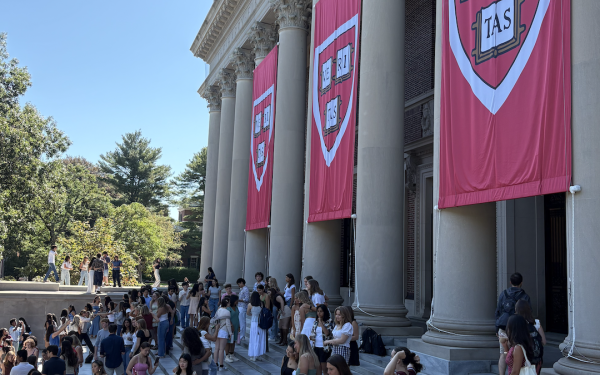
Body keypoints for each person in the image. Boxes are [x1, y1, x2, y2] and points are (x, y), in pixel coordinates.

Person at [495, 272, 531, 375]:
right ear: (521, 283)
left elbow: (497, 311)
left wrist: (497, 328)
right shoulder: (525, 296)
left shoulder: (503, 294)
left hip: (504, 326)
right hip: (519, 329)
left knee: (503, 354)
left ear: (510, 282)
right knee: (518, 351)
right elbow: (528, 313)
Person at [515, 299, 546, 373]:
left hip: (522, 358)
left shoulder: (516, 323)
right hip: (536, 359)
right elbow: (544, 341)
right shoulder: (536, 323)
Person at [310, 304, 332, 374]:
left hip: (324, 347)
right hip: (316, 346)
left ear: (324, 312)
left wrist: (321, 323)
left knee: (324, 368)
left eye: (321, 311)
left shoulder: (329, 322)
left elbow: (327, 333)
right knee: (317, 367)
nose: (319, 313)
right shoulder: (315, 322)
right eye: (318, 311)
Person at [212, 298, 232, 370]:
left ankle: (215, 364)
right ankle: (221, 365)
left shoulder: (218, 310)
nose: (230, 303)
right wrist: (230, 333)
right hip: (224, 331)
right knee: (221, 349)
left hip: (217, 330)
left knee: (216, 348)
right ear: (227, 303)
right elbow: (228, 324)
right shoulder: (227, 311)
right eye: (229, 302)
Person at [247, 292, 266, 361]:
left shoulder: (250, 305)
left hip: (253, 322)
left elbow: (248, 313)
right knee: (259, 338)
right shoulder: (261, 304)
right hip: (260, 322)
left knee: (253, 338)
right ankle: (258, 354)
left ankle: (253, 355)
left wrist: (253, 315)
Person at [225, 295, 239, 363]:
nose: (237, 301)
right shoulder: (228, 308)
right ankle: (227, 355)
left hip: (236, 325)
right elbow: (227, 317)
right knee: (228, 341)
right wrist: (231, 325)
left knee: (233, 340)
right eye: (236, 300)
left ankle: (232, 354)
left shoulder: (236, 307)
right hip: (230, 326)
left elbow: (237, 316)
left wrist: (238, 326)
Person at [236, 278, 249, 345]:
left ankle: (242, 336)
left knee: (242, 322)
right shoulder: (242, 289)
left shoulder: (245, 289)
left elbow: (247, 299)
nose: (239, 285)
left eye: (239, 284)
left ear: (241, 283)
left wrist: (239, 300)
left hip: (243, 307)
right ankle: (240, 335)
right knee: (240, 322)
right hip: (240, 306)